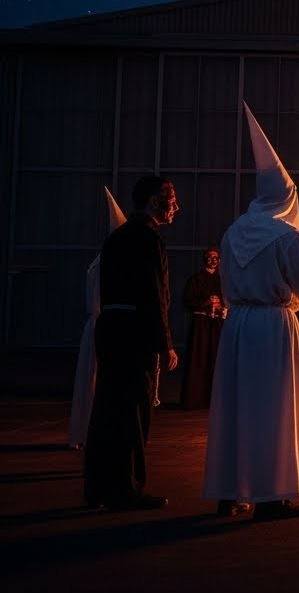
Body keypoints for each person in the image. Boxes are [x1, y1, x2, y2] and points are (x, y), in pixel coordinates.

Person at [203, 102, 299, 521]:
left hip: (237, 325)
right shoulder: (287, 237)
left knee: (236, 406)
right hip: (272, 327)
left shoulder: (233, 233)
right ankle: (271, 494)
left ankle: (231, 491)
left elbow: (225, 286)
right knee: (273, 407)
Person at [83, 176, 180, 510]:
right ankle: (127, 487)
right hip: (136, 332)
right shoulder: (150, 240)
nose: (176, 207)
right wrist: (165, 341)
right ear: (154, 201)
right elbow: (156, 294)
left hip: (110, 328)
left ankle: (97, 486)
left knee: (106, 408)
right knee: (134, 412)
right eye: (171, 199)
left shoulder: (115, 239)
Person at [68, 187, 126, 449]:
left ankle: (88, 431)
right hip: (104, 324)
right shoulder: (107, 262)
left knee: (92, 379)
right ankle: (90, 431)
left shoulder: (101, 261)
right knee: (96, 379)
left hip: (101, 323)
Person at [179, 246, 226, 410]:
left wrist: (221, 305)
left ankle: (217, 399)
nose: (213, 260)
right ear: (204, 258)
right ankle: (196, 399)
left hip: (218, 324)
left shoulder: (223, 280)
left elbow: (229, 299)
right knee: (199, 359)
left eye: (216, 257)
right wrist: (205, 303)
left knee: (217, 359)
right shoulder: (196, 279)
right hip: (201, 325)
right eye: (209, 256)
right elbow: (187, 300)